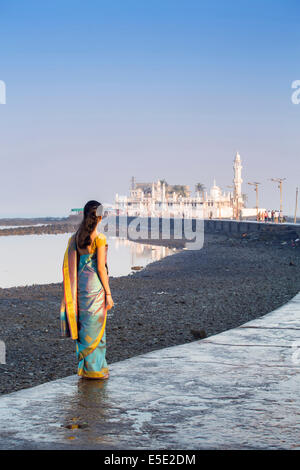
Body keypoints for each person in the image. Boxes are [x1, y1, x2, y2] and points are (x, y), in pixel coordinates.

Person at [60, 200, 114, 379]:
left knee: (85, 326)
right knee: (97, 327)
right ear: (99, 216)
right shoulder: (99, 239)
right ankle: (95, 370)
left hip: (81, 288)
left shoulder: (76, 238)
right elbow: (100, 268)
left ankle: (85, 369)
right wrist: (108, 293)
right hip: (95, 287)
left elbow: (72, 266)